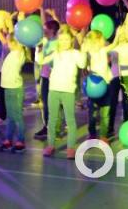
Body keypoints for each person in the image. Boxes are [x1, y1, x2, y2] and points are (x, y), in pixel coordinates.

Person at [36, 28, 86, 159]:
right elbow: (40, 61)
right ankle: (50, 145)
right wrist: (38, 49)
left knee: (70, 120)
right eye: (61, 39)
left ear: (71, 40)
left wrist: (82, 48)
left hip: (68, 90)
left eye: (66, 39)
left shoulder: (75, 53)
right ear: (58, 40)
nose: (64, 42)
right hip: (54, 90)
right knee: (52, 120)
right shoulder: (55, 53)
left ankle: (71, 148)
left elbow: (82, 63)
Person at [83, 29, 119, 141]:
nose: (104, 40)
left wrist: (117, 34)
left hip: (106, 85)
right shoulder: (88, 52)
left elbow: (114, 44)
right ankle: (92, 133)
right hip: (93, 87)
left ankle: (103, 136)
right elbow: (82, 57)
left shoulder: (103, 50)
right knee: (92, 113)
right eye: (102, 38)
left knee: (105, 113)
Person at [0, 25, 27, 152]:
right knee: (10, 116)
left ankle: (21, 140)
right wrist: (5, 33)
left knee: (18, 116)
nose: (7, 43)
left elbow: (20, 40)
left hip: (15, 89)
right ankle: (8, 139)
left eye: (9, 41)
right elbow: (6, 42)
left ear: (15, 42)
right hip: (7, 88)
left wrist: (20, 21)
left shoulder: (19, 53)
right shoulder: (11, 53)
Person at [33, 9, 59, 140]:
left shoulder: (57, 42)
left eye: (46, 30)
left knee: (53, 104)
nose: (43, 31)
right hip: (45, 76)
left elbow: (58, 28)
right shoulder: (45, 40)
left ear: (53, 31)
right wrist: (41, 10)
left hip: (54, 77)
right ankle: (47, 126)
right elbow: (45, 23)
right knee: (45, 103)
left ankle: (55, 128)